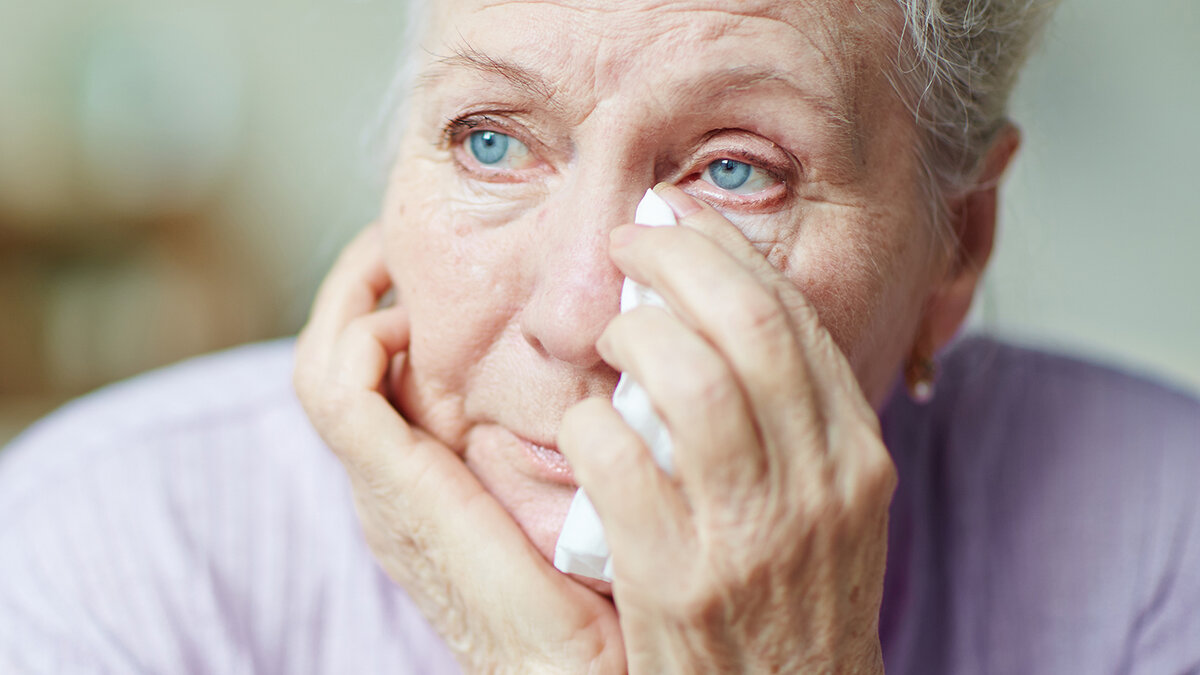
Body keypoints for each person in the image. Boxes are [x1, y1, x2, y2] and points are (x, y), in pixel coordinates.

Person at [2, 0, 1198, 672]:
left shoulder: (1162, 544)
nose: (577, 319)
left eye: (738, 172)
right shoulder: (98, 564)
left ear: (957, 247)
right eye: (488, 140)